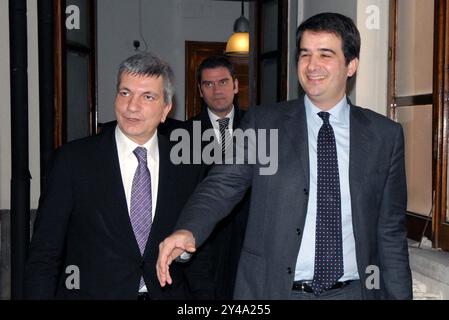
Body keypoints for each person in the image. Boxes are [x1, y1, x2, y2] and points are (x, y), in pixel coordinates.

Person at [156, 12, 412, 300]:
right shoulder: (265, 124)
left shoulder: (383, 136)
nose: (312, 66)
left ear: (351, 65)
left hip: (354, 292)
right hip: (276, 291)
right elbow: (221, 185)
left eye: (325, 55)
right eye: (305, 55)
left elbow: (390, 232)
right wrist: (189, 230)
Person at [24, 52, 211, 300]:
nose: (132, 106)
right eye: (125, 93)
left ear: (166, 108)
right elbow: (44, 254)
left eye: (147, 96)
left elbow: (200, 255)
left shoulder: (187, 165)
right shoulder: (72, 161)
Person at [185, 55, 250, 299]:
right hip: (203, 246)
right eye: (208, 84)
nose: (216, 90)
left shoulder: (258, 126)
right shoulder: (184, 134)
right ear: (200, 91)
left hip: (247, 242)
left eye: (223, 82)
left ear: (235, 85)